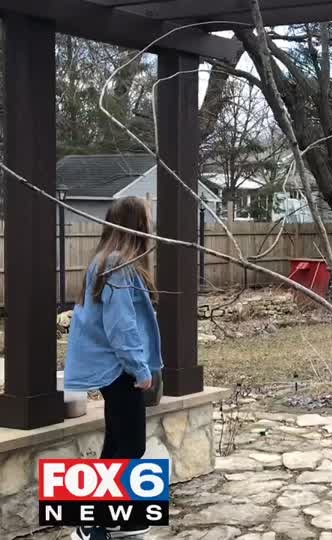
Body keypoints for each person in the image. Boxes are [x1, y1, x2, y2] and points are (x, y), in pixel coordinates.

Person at [64, 197, 162, 540]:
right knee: (131, 445)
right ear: (137, 225)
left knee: (117, 440)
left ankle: (119, 518)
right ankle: (92, 523)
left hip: (112, 367)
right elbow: (121, 326)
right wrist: (140, 369)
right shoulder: (118, 265)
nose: (151, 226)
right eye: (147, 219)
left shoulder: (106, 260)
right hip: (119, 368)